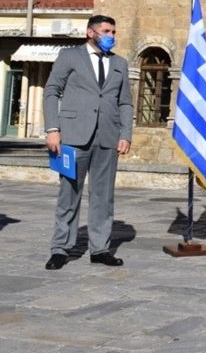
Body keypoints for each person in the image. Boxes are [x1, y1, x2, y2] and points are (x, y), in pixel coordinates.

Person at [43, 15, 133, 270]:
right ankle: (61, 249)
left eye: (114, 31)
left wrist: (125, 134)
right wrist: (52, 129)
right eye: (106, 31)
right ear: (90, 32)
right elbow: (52, 91)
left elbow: (125, 101)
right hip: (72, 137)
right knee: (69, 194)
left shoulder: (120, 64)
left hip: (108, 136)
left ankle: (100, 248)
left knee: (104, 196)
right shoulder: (69, 57)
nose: (112, 36)